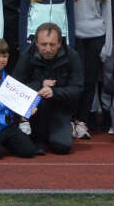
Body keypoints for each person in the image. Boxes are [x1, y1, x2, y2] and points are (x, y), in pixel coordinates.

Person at [10, 23, 82, 155]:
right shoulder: (27, 55)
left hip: (60, 108)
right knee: (37, 146)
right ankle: (37, 136)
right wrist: (40, 85)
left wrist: (54, 92)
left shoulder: (72, 56)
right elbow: (15, 86)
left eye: (52, 44)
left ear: (60, 43)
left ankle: (60, 130)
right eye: (43, 44)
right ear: (36, 43)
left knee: (62, 147)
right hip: (36, 110)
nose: (48, 49)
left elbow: (77, 89)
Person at [66, 0, 113, 138]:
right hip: (76, 37)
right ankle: (70, 119)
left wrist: (107, 45)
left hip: (96, 36)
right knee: (75, 80)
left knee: (90, 81)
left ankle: (82, 121)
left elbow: (107, 15)